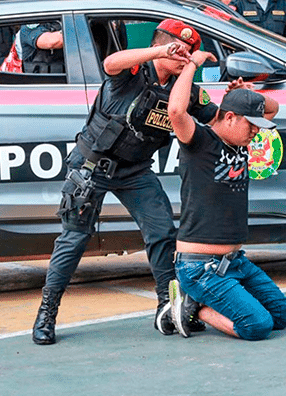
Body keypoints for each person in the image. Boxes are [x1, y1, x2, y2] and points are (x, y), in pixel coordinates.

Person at [31, 19, 229, 345]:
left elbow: (217, 118)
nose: (184, 58)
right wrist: (158, 53)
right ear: (160, 47)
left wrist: (235, 99)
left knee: (162, 232)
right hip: (93, 166)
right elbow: (111, 62)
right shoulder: (133, 72)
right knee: (74, 239)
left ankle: (168, 306)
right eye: (179, 51)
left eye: (189, 53)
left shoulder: (184, 89)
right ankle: (46, 313)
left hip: (135, 171)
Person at [167, 51, 286, 341]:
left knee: (282, 316)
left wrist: (247, 94)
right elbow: (176, 112)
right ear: (230, 118)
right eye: (251, 125)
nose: (256, 132)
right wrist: (192, 64)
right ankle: (193, 307)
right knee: (257, 326)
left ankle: (202, 301)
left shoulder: (241, 141)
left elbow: (272, 108)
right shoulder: (200, 142)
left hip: (235, 262)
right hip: (200, 267)